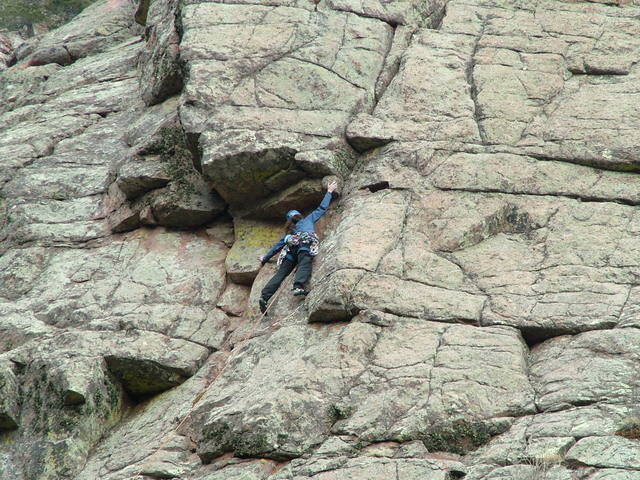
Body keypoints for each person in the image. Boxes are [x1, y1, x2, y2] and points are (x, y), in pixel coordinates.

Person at [258, 181, 338, 314]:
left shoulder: (290, 233)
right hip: (304, 244)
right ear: (299, 216)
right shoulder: (307, 220)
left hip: (290, 250)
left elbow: (277, 248)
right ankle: (298, 286)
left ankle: (264, 296)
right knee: (304, 261)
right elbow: (321, 208)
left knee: (281, 274)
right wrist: (329, 191)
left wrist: (264, 258)